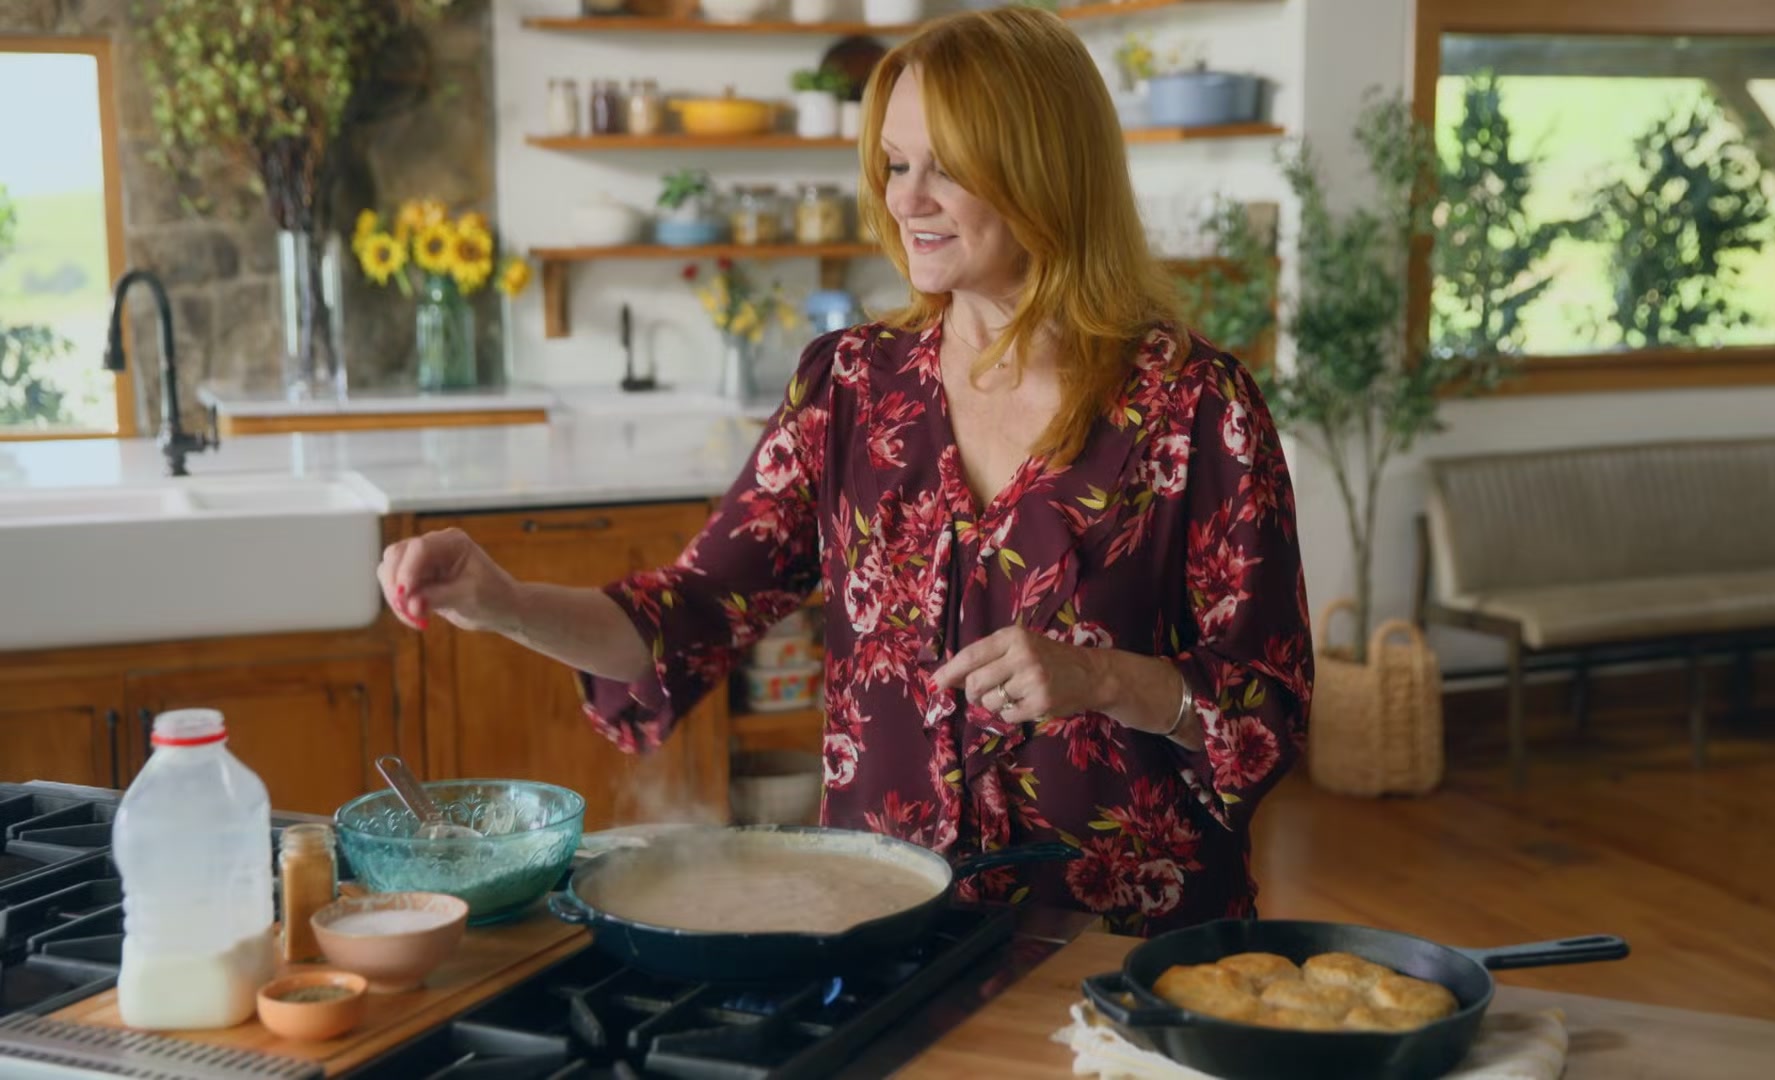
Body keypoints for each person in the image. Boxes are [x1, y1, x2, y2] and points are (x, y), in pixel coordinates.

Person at [376, 7, 1312, 936]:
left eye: (947, 168)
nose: (906, 200)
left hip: (1125, 949)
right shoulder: (853, 387)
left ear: (1046, 171)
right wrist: (503, 603)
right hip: (888, 934)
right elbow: (687, 616)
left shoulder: (1198, 408)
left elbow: (1269, 713)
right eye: (897, 164)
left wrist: (1104, 678)